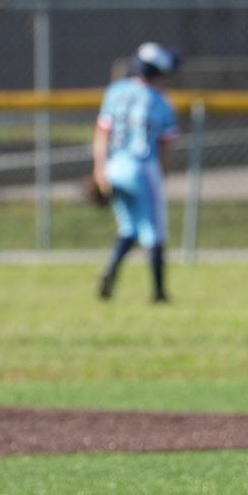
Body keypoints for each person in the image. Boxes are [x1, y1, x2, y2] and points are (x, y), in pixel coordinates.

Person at [93, 42, 183, 303]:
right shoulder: (162, 102)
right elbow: (165, 148)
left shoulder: (116, 91)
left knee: (130, 227)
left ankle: (111, 272)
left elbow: (102, 134)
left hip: (115, 166)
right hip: (143, 167)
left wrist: (100, 169)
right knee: (155, 231)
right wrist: (162, 177)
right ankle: (159, 292)